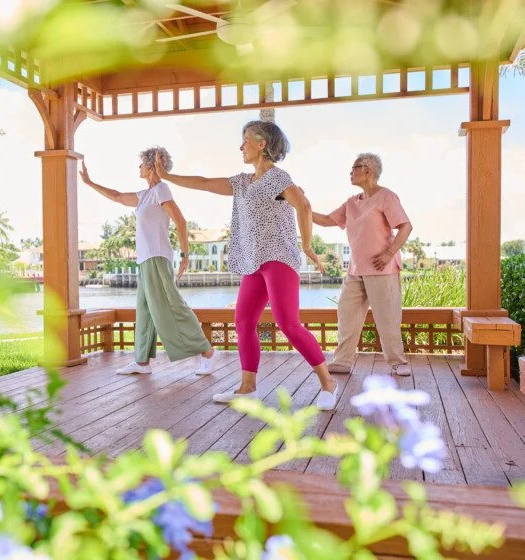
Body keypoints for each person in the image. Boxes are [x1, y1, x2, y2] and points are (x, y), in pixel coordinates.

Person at [154, 121, 338, 410]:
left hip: (278, 256)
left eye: (245, 141)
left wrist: (307, 246)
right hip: (254, 260)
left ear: (261, 144)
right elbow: (202, 183)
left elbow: (303, 205)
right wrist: (167, 175)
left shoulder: (278, 179)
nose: (241, 146)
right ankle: (248, 387)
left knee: (287, 322)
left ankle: (328, 383)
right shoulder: (241, 182)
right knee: (243, 321)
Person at [80, 147, 218, 375]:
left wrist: (185, 255)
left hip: (157, 256)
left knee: (172, 306)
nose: (139, 168)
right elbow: (116, 195)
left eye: (142, 164)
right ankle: (142, 362)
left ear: (152, 167)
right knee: (144, 310)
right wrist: (90, 182)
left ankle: (207, 352)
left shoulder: (161, 190)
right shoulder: (144, 196)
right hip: (145, 260)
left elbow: (181, 222)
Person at [312, 153, 413, 376]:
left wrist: (389, 253)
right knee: (346, 316)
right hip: (355, 270)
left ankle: (398, 362)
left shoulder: (387, 197)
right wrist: (300, 204)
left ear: (367, 170)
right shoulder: (351, 202)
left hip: (381, 269)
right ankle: (342, 361)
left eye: (354, 168)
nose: (350, 173)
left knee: (387, 318)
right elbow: (327, 220)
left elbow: (405, 227)